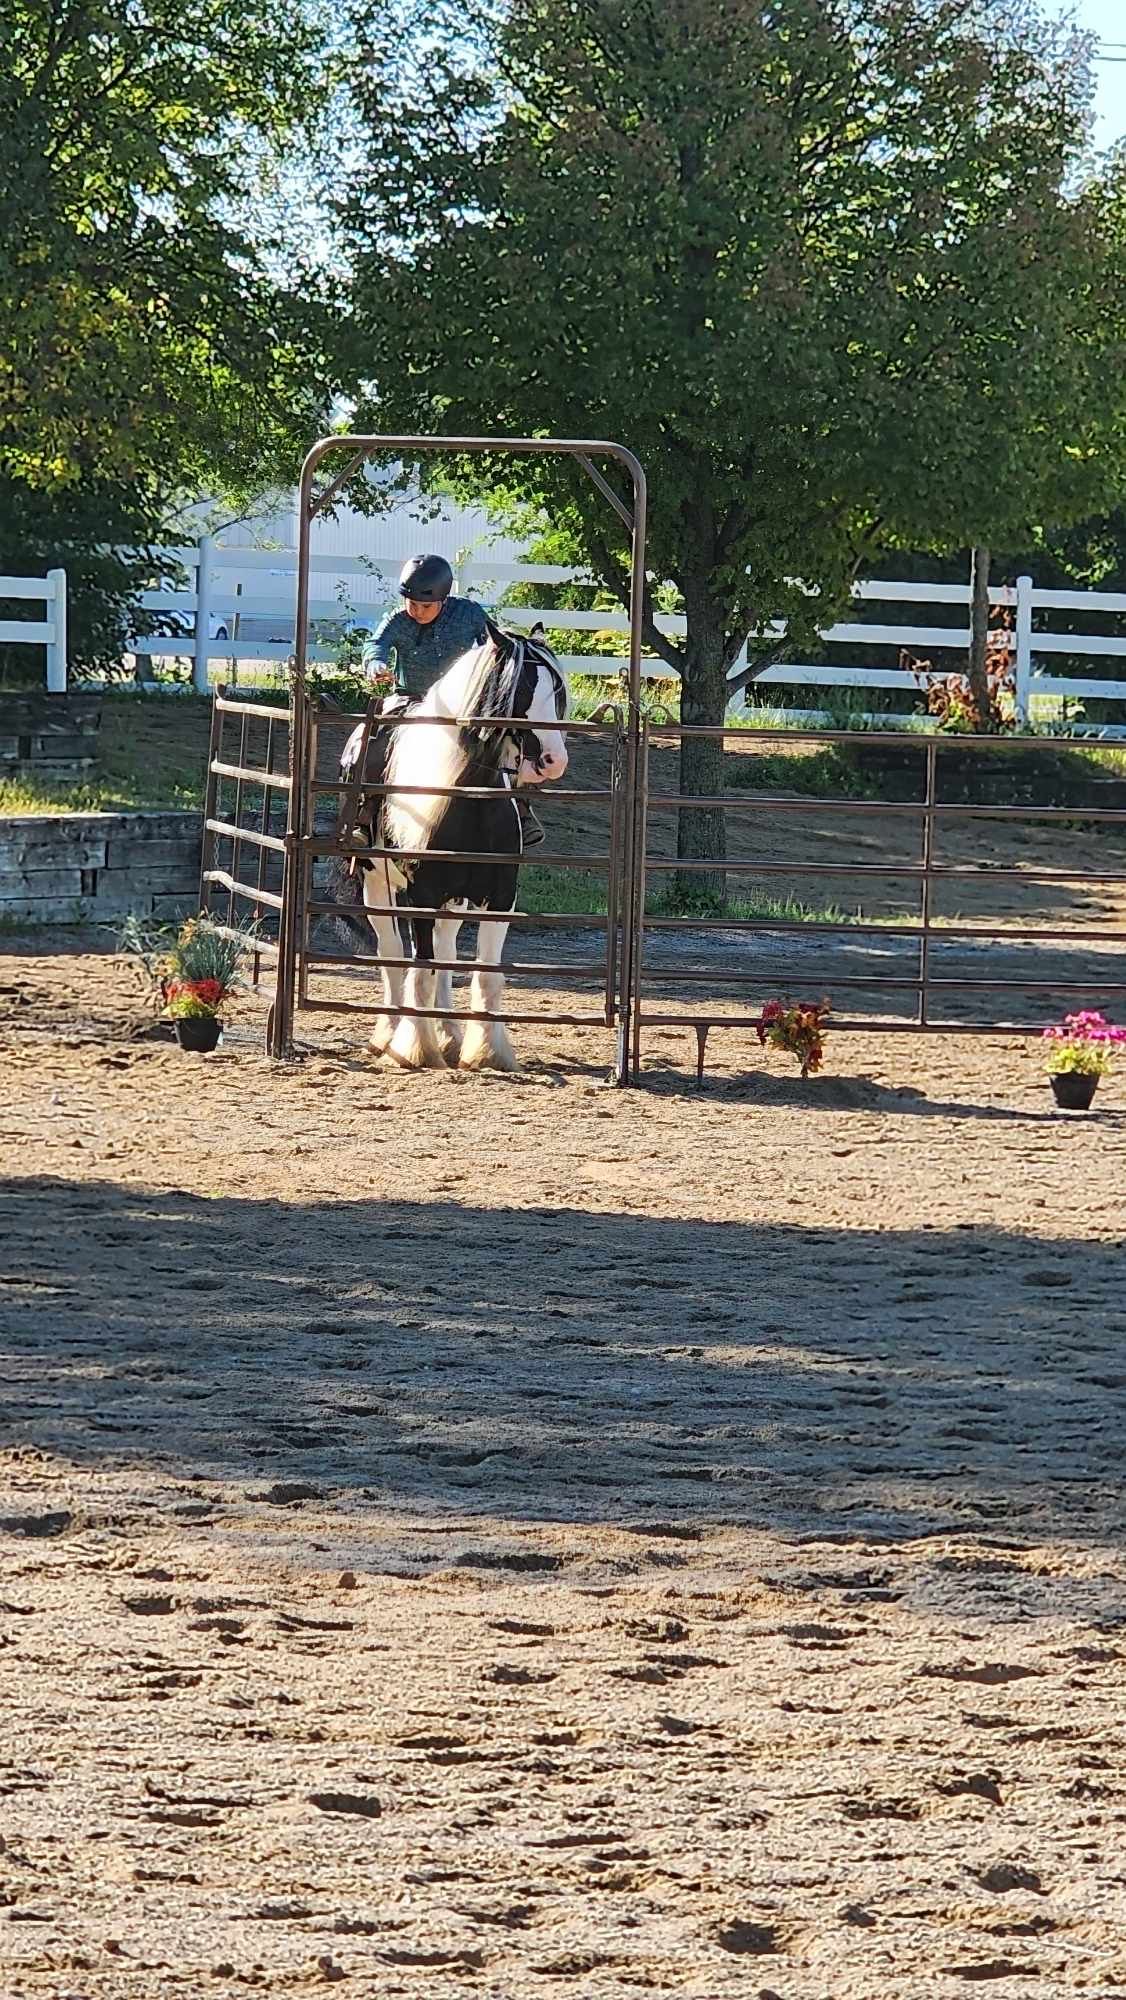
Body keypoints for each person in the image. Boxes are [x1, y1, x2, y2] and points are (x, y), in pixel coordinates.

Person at [361, 554, 544, 844]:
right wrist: (376, 665)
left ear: (444, 600)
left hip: (461, 702)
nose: (418, 611)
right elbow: (376, 644)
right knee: (377, 739)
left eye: (426, 605)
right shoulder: (397, 620)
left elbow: (497, 645)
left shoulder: (468, 614)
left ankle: (520, 807)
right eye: (412, 603)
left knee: (504, 743)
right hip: (411, 698)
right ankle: (366, 811)